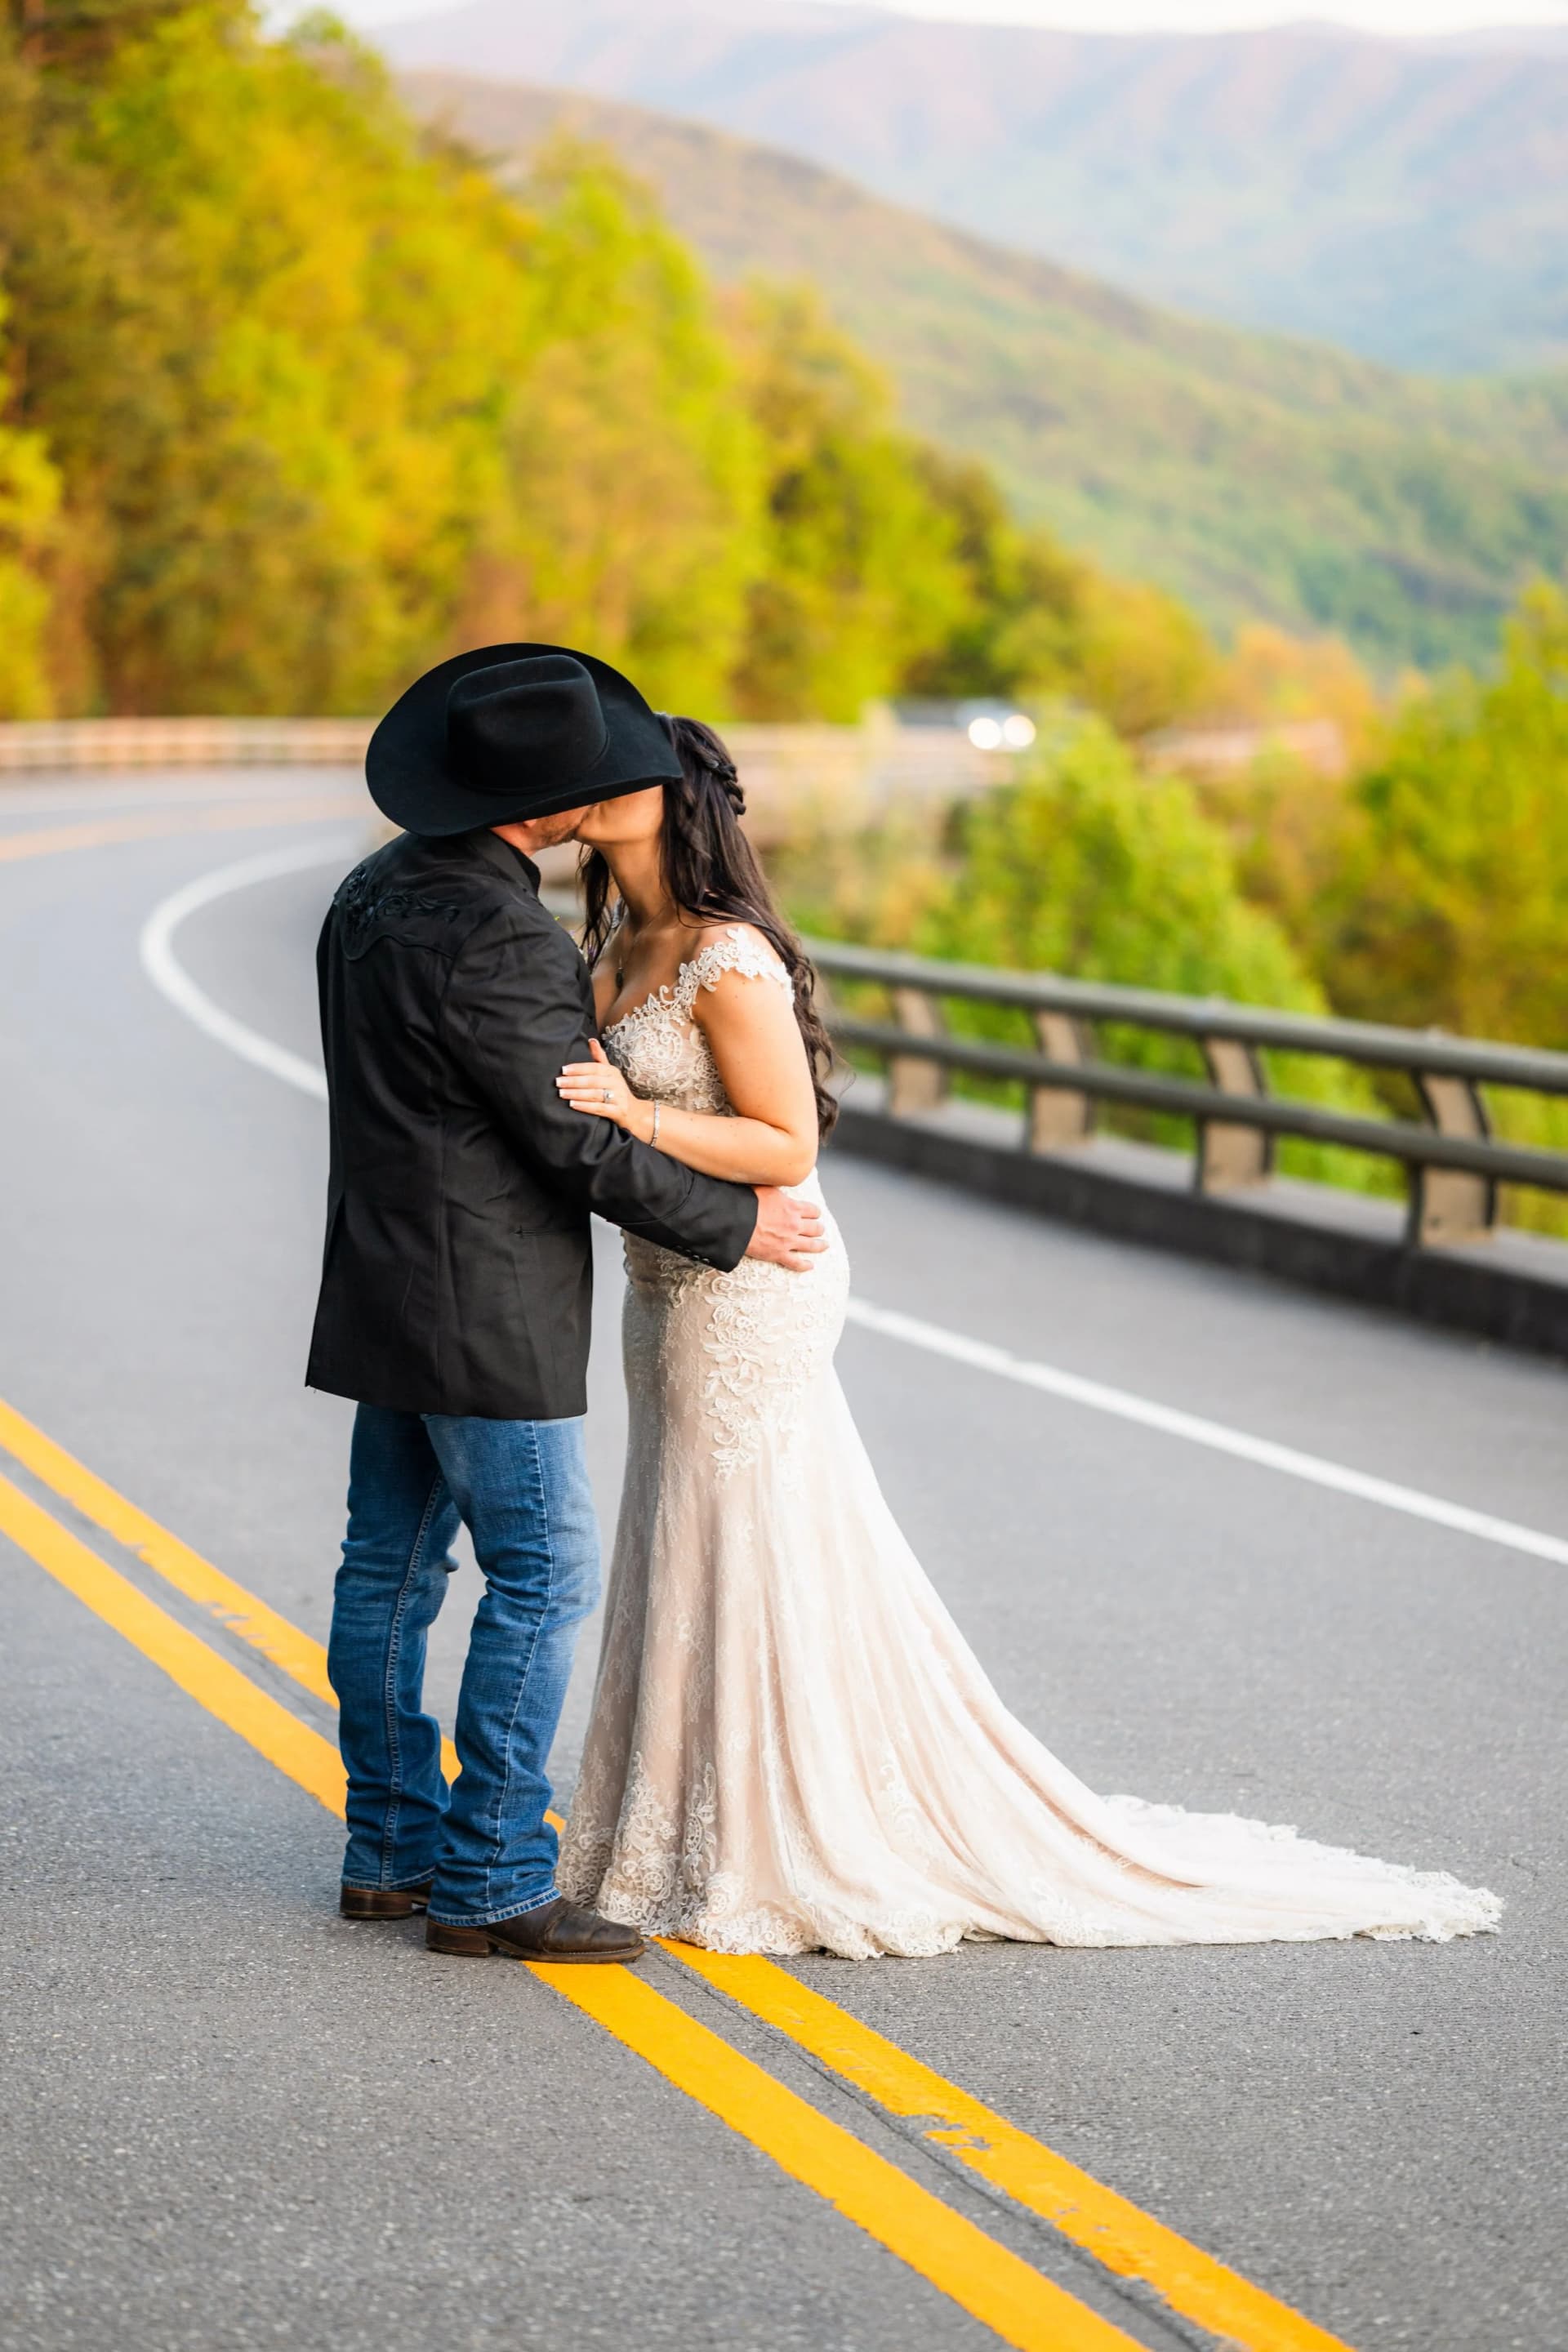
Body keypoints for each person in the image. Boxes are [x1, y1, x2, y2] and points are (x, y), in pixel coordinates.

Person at [550, 713, 1503, 1958]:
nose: (587, 785)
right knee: (681, 1533)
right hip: (659, 1278)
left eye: (616, 770)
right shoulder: (619, 939)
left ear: (676, 798)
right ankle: (665, 1823)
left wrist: (636, 1113)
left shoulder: (727, 959)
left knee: (733, 1531)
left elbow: (790, 1145)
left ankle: (765, 1837)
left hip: (754, 1285)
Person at [308, 646, 825, 1965]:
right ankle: (487, 1880)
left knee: (391, 1568)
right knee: (540, 1576)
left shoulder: (371, 892)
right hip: (484, 1308)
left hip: (379, 1285)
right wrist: (743, 1227)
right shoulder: (504, 936)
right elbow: (573, 1147)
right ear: (545, 806)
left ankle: (387, 1851)